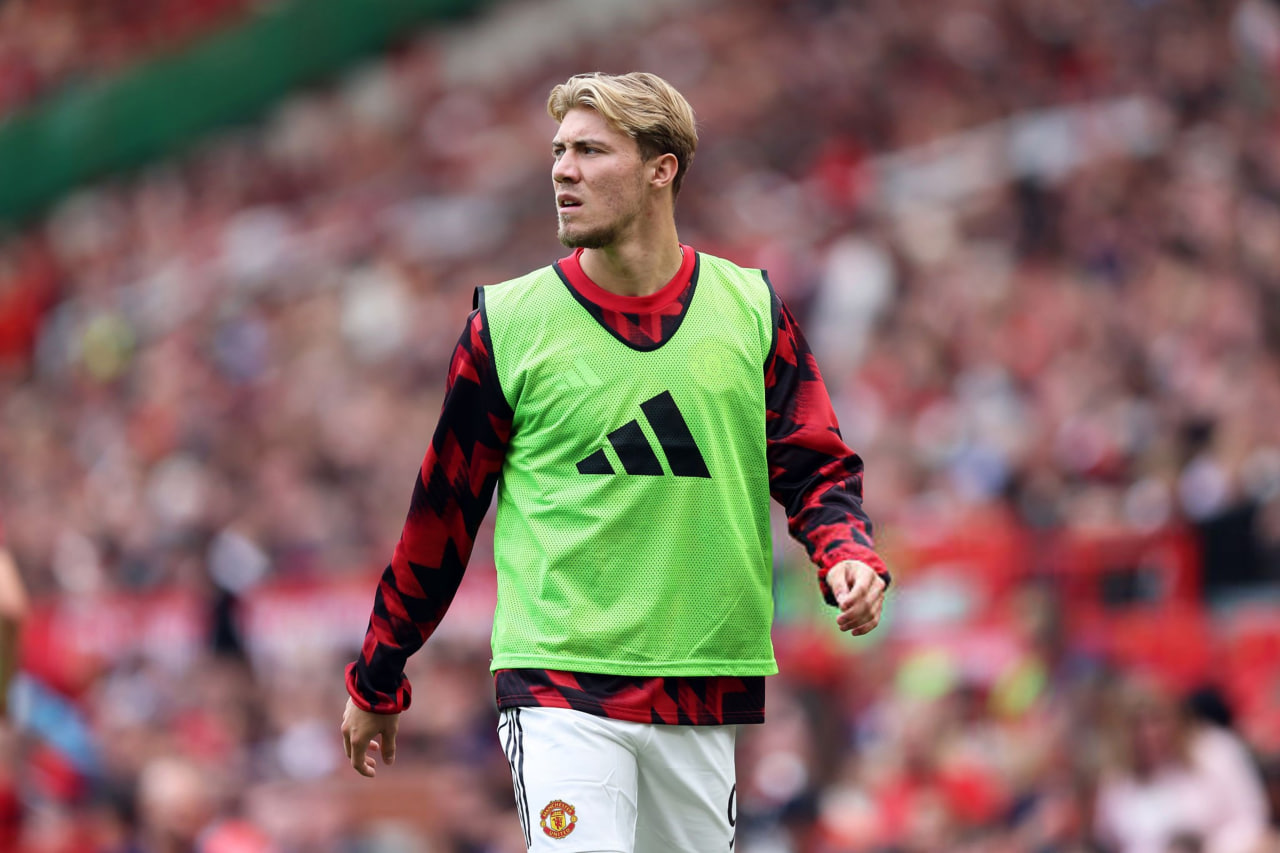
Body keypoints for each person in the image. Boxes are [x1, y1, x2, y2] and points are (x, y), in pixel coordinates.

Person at [341, 71, 889, 852]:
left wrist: (847, 552)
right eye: (559, 152)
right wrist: (378, 670)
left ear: (661, 168)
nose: (563, 170)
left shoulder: (750, 309)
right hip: (560, 681)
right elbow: (442, 512)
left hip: (702, 679)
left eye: (591, 151)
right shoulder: (508, 322)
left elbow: (815, 465)